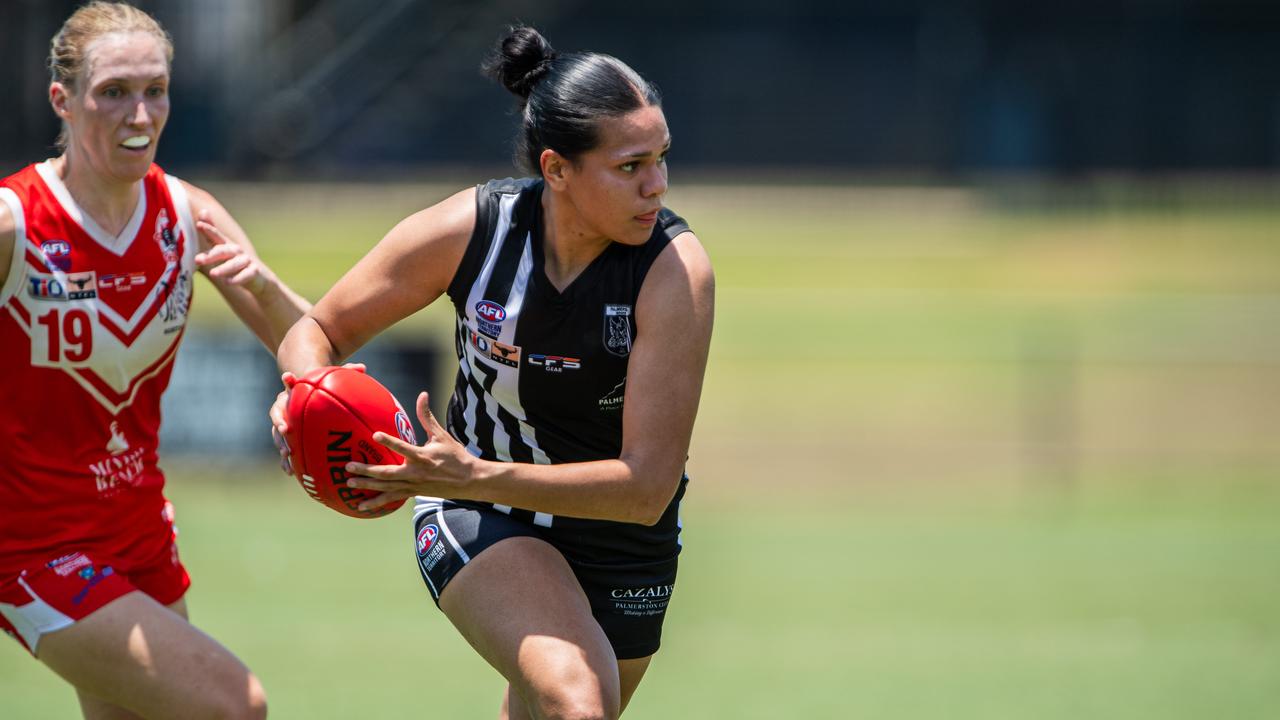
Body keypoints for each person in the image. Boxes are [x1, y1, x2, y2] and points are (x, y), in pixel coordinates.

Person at [271, 25, 714, 720]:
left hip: (620, 535)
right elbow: (318, 329)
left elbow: (645, 489)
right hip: (480, 510)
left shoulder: (674, 274)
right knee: (577, 702)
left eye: (661, 159)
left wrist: (467, 472)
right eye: (630, 166)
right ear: (557, 168)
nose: (655, 185)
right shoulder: (472, 229)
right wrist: (305, 392)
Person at [0, 3, 309, 718]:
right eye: (113, 92)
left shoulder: (187, 214)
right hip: (32, 544)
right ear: (64, 101)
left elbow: (311, 343)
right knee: (236, 704)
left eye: (155, 89)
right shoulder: (17, 223)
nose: (140, 112)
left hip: (138, 530)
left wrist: (265, 296)